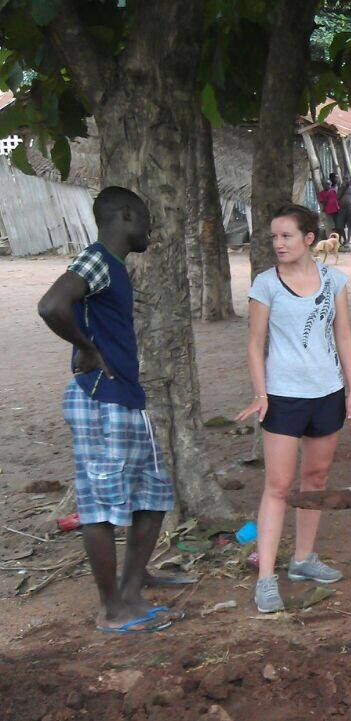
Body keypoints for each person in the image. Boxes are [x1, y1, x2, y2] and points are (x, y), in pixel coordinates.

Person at [37, 187, 184, 634]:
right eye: (144, 216)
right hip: (101, 397)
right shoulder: (97, 258)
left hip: (123, 397)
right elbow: (50, 305)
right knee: (100, 507)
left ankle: (132, 587)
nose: (149, 226)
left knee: (153, 495)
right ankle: (112, 610)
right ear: (124, 215)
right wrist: (87, 348)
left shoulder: (112, 266)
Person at [235, 204, 351, 613]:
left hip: (328, 392)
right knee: (277, 485)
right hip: (283, 396)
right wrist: (261, 394)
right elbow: (255, 344)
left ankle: (303, 561)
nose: (278, 244)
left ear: (309, 239)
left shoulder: (334, 280)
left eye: (286, 236)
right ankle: (266, 578)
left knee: (316, 478)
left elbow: (344, 336)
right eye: (274, 237)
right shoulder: (266, 284)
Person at [336, 174, 351, 246]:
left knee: (350, 226)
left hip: (350, 208)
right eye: (344, 179)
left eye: (347, 179)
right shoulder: (340, 188)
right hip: (341, 209)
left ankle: (348, 241)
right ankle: (345, 239)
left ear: (349, 180)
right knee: (340, 226)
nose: (345, 181)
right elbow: (337, 197)